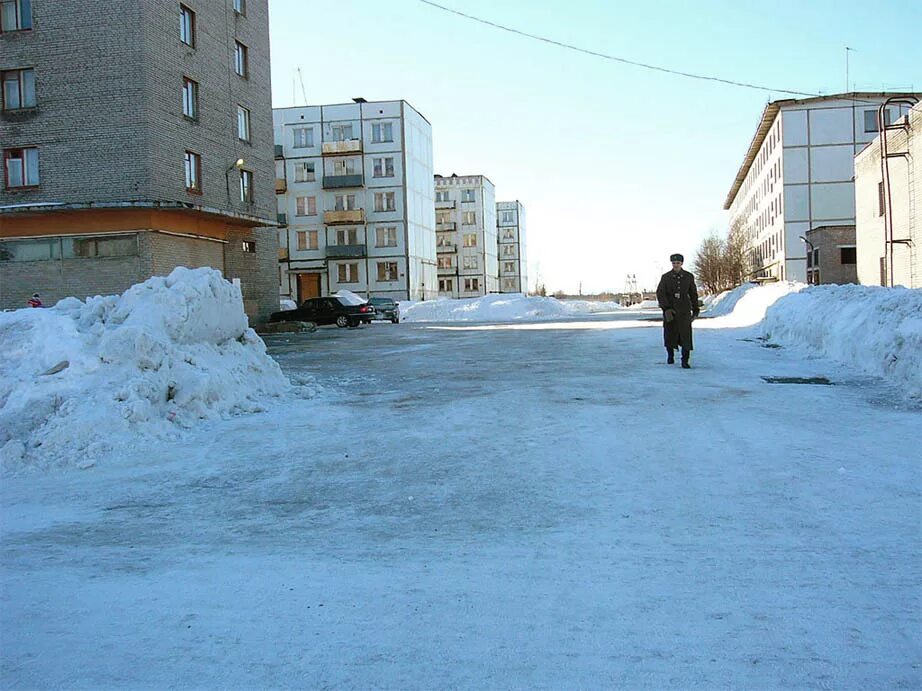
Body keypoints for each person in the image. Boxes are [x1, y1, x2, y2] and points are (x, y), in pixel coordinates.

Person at [656, 254, 699, 368]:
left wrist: (695, 309)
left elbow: (693, 293)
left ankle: (685, 360)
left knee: (686, 335)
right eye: (674, 263)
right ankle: (670, 355)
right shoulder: (665, 277)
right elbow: (660, 293)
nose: (676, 265)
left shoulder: (689, 276)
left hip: (684, 310)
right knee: (670, 333)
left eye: (678, 263)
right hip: (670, 309)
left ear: (681, 264)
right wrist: (666, 308)